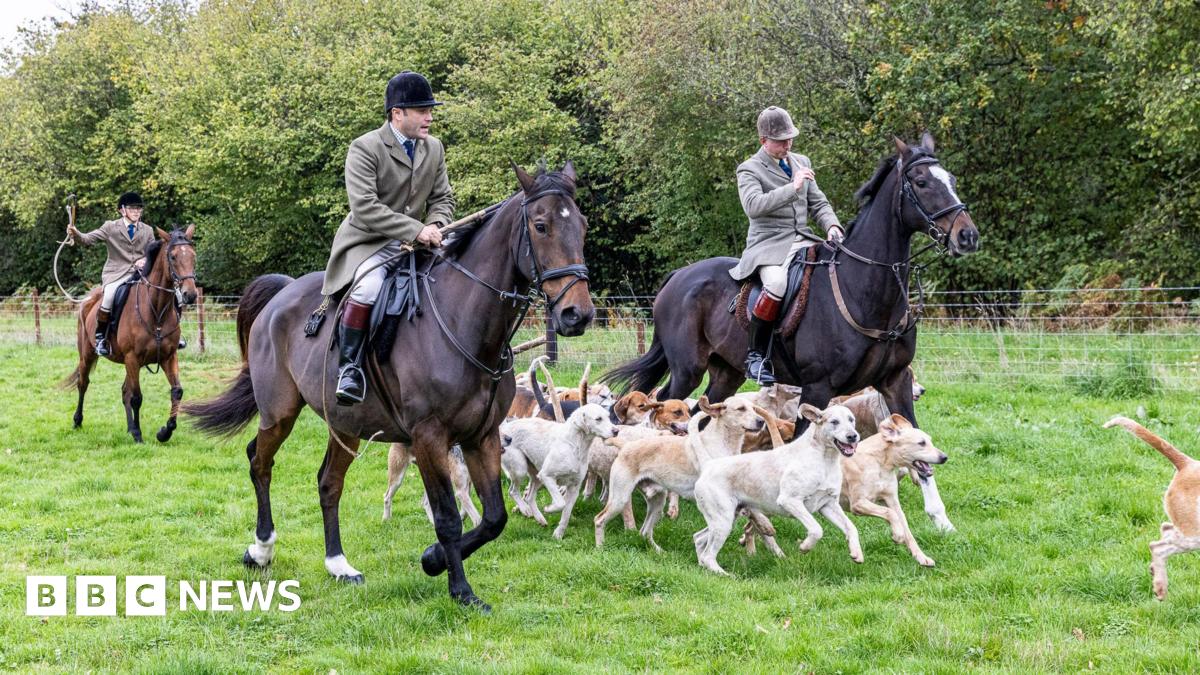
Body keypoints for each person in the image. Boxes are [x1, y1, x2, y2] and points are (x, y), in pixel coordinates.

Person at [321, 71, 455, 405]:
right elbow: (365, 208)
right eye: (422, 111)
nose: (429, 117)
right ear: (397, 113)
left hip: (419, 242)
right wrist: (415, 229)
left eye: (430, 110)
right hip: (369, 242)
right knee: (368, 287)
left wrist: (436, 225)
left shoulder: (434, 148)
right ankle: (350, 369)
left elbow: (443, 198)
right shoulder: (365, 148)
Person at [729, 106, 844, 385]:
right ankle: (756, 356)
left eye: (790, 138)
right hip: (768, 245)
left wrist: (832, 226)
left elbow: (818, 202)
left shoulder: (801, 161)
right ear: (763, 141)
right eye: (781, 140)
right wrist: (792, 188)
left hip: (804, 238)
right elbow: (754, 206)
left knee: (836, 269)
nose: (787, 145)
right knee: (777, 284)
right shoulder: (749, 169)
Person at [67, 192, 155, 356]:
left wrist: (144, 259)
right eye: (132, 208)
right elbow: (87, 239)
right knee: (108, 296)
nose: (136, 211)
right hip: (117, 273)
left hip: (141, 273)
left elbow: (152, 252)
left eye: (138, 209)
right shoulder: (110, 227)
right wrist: (76, 233)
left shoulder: (148, 230)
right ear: (122, 210)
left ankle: (172, 335)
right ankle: (100, 336)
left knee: (170, 292)